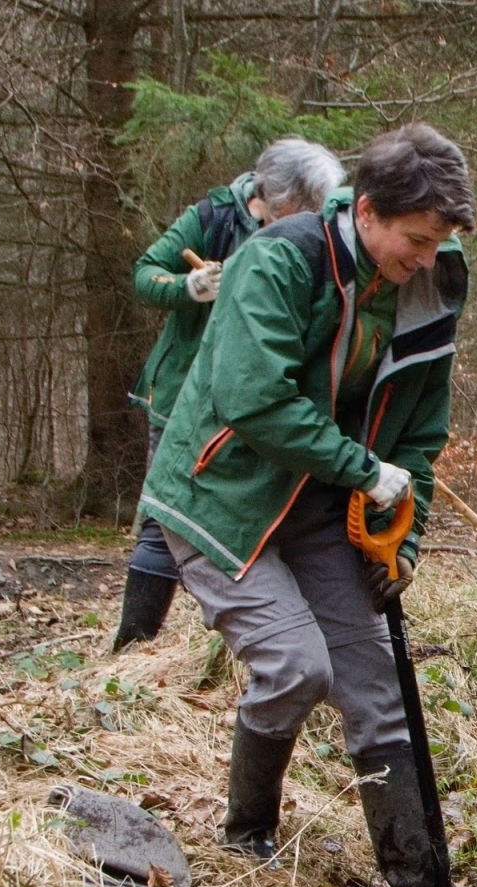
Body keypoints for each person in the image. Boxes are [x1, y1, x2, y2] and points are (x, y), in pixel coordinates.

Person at [137, 124, 475, 887]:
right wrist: (365, 471)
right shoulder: (280, 261)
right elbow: (255, 401)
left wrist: (404, 540)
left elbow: (418, 437)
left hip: (316, 503)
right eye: (416, 240)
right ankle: (247, 837)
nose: (426, 259)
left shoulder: (429, 286)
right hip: (220, 496)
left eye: (439, 243)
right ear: (368, 210)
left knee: (377, 689)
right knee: (296, 667)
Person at [115, 137, 347, 650]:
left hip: (249, 396)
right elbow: (145, 274)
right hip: (184, 393)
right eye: (309, 206)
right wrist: (189, 287)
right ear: (283, 198)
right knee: (164, 520)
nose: (316, 218)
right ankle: (132, 646)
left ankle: (261, 631)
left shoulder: (313, 240)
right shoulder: (214, 216)